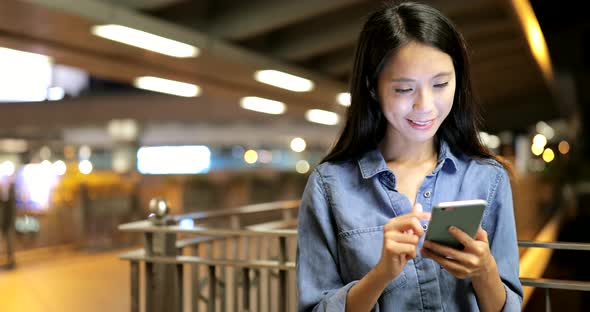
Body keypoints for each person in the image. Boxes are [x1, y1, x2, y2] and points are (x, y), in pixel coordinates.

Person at [296, 1, 523, 311]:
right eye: (404, 89)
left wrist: (485, 271)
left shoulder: (487, 177)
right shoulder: (329, 186)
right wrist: (380, 275)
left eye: (441, 84)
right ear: (372, 88)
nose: (425, 105)